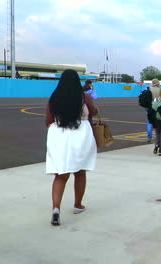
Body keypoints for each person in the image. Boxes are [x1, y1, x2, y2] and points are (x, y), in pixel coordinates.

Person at [45, 69, 98, 226]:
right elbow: (93, 112)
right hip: (81, 135)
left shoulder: (54, 98)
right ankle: (77, 204)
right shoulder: (84, 96)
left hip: (59, 135)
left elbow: (48, 119)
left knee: (61, 174)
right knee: (80, 172)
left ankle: (56, 209)